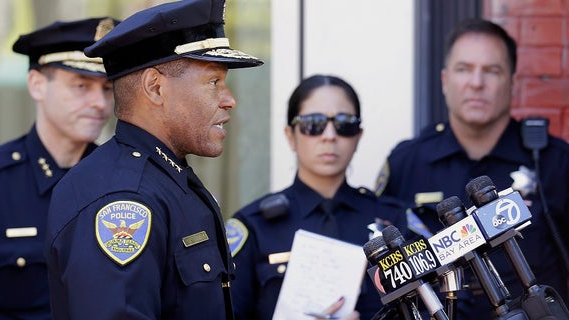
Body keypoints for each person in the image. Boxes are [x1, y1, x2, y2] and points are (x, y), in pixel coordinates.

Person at [43, 0, 263, 319]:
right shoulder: (123, 198)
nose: (229, 100)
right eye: (214, 82)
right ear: (155, 87)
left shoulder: (165, 179)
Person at [375, 18, 569, 319]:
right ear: (444, 80)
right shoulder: (407, 163)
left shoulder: (555, 162)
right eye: (464, 69)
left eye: (492, 71)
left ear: (512, 83)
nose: (476, 83)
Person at [0, 17, 118, 319]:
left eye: (107, 88)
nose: (99, 103)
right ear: (37, 85)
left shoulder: (121, 182)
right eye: (81, 85)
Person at [226, 74, 410, 320]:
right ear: (290, 135)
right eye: (313, 123)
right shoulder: (254, 227)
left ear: (358, 135)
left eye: (344, 123)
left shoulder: (393, 223)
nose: (329, 135)